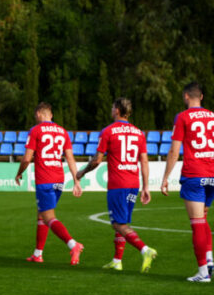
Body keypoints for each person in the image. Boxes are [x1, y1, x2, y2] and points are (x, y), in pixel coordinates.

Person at [77, 97, 157, 272]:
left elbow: (98, 160)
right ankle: (117, 260)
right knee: (123, 221)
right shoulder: (138, 133)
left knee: (117, 224)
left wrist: (82, 172)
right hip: (133, 184)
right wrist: (145, 187)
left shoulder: (108, 131)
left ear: (117, 111)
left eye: (113, 107)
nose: (111, 110)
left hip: (118, 184)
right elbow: (144, 161)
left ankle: (145, 249)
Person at [15, 102, 85, 264]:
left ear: (39, 114)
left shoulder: (36, 130)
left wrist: (19, 173)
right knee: (42, 214)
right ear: (51, 115)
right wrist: (76, 181)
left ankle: (73, 244)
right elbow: (70, 158)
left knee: (48, 217)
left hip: (45, 180)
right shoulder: (62, 132)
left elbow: (26, 158)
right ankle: (38, 254)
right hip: (59, 180)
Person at [160, 82, 214, 281]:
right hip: (212, 173)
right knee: (204, 218)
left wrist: (165, 177)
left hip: (195, 174)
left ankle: (202, 273)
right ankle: (209, 261)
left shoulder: (183, 117)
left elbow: (175, 151)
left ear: (185, 97)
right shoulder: (212, 116)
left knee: (197, 223)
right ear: (201, 96)